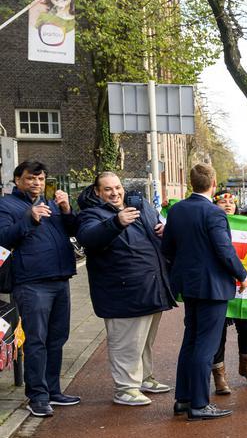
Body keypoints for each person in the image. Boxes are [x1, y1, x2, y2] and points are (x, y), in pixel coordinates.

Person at [76, 172, 174, 406]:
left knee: (144, 342)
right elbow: (89, 238)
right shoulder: (92, 214)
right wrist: (116, 222)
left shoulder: (139, 206)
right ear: (98, 192)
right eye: (108, 189)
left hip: (150, 286)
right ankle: (125, 388)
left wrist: (163, 230)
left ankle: (143, 378)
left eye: (117, 187)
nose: (115, 192)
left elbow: (157, 227)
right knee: (126, 342)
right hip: (123, 292)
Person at [162, 164, 247, 421]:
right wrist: (242, 274)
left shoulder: (176, 211)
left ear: (191, 183)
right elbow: (225, 250)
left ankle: (184, 398)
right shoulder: (214, 213)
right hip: (213, 287)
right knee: (205, 345)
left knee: (190, 341)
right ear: (213, 183)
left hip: (189, 286)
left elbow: (167, 248)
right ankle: (200, 402)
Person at [0, 161, 80, 417]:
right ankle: (37, 396)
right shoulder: (6, 205)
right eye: (31, 178)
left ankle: (53, 391)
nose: (37, 183)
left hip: (60, 279)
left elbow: (74, 230)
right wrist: (29, 219)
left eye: (41, 179)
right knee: (36, 340)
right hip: (31, 283)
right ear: (17, 180)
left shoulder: (53, 204)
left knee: (57, 338)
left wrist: (67, 211)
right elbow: (3, 239)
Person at [210, 192, 247, 394]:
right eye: (223, 201)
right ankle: (219, 375)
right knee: (218, 332)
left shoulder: (245, 223)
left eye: (231, 201)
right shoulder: (212, 222)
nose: (228, 204)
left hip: (243, 285)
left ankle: (245, 365)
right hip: (220, 284)